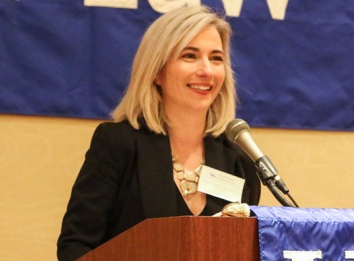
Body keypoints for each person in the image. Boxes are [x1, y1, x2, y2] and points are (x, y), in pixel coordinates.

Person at [56, 5, 261, 261]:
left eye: (216, 58)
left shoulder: (237, 160)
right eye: (190, 56)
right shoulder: (119, 144)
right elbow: (75, 247)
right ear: (157, 71)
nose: (207, 70)